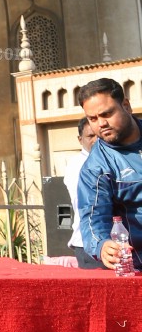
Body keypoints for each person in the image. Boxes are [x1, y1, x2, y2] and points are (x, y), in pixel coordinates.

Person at [76, 78, 142, 272]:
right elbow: (93, 218)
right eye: (93, 119)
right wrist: (102, 245)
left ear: (126, 106)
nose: (101, 123)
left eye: (107, 114)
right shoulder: (95, 168)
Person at [62, 117, 100, 269]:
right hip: (89, 244)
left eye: (98, 134)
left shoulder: (111, 159)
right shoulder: (77, 165)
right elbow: (89, 202)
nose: (96, 140)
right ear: (80, 139)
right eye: (91, 136)